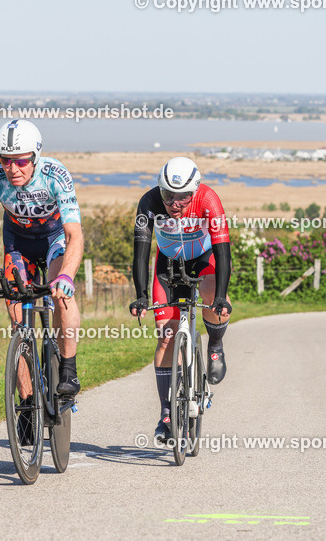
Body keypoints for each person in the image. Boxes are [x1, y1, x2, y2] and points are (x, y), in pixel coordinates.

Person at [0, 119, 83, 445]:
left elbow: (74, 235)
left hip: (54, 240)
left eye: (21, 160)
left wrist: (67, 276)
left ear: (36, 156)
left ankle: (68, 369)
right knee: (19, 327)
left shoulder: (56, 175)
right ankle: (28, 405)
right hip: (18, 245)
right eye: (5, 159)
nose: (13, 168)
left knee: (61, 294)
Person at [129, 157, 233, 446]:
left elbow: (223, 250)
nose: (175, 204)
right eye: (168, 196)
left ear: (195, 190)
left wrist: (221, 296)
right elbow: (141, 252)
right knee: (166, 337)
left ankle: (215, 343)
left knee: (213, 297)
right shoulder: (149, 202)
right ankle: (165, 412)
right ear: (160, 190)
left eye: (183, 197)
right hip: (168, 264)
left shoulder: (209, 200)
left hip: (203, 257)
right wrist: (141, 295)